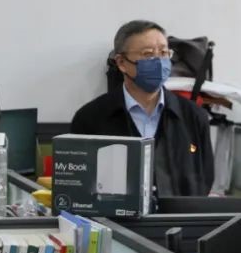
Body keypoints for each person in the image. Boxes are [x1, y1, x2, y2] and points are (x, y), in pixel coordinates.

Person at [70, 20, 214, 196]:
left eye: (164, 52)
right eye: (148, 54)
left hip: (178, 213)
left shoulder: (193, 116)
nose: (159, 61)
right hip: (115, 213)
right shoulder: (90, 118)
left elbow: (205, 179)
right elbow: (79, 185)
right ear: (122, 62)